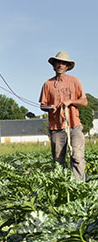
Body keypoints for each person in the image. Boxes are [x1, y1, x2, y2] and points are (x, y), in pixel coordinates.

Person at [39, 51, 88, 181]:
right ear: (54, 65)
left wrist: (70, 101)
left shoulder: (75, 81)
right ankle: (62, 188)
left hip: (74, 126)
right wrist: (51, 107)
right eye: (58, 62)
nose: (60, 65)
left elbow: (84, 101)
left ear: (67, 66)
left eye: (63, 63)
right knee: (58, 161)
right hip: (56, 128)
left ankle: (79, 187)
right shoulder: (47, 84)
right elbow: (42, 105)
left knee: (77, 157)